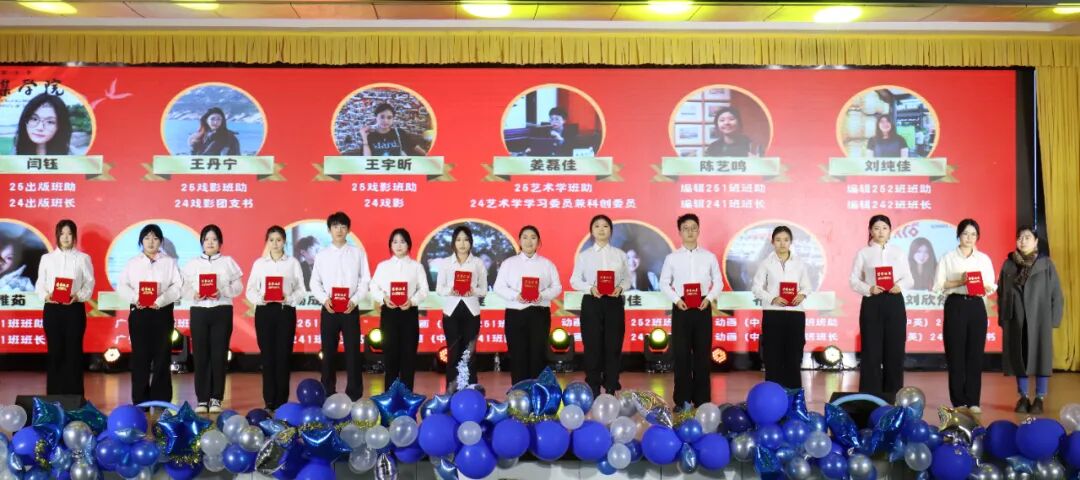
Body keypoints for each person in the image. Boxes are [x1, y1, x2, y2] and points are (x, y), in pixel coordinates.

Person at [659, 214, 722, 409]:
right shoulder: (672, 258)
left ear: (699, 230)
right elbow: (664, 283)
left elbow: (718, 282)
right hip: (682, 307)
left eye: (693, 228)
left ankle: (702, 400)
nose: (690, 232)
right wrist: (677, 300)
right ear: (679, 232)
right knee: (681, 355)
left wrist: (709, 298)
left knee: (702, 355)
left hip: (703, 306)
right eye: (685, 228)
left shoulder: (709, 257)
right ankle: (682, 400)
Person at [998, 226, 1064, 414]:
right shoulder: (1008, 264)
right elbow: (1001, 293)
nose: (1023, 241)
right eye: (1019, 237)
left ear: (1035, 242)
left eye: (1027, 237)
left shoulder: (1046, 264)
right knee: (1019, 358)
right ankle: (1023, 396)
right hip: (1016, 318)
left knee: (1041, 357)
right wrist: (1003, 318)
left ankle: (1040, 398)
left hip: (1040, 318)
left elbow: (1056, 294)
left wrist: (1054, 319)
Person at [933, 218, 996, 414]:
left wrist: (985, 287)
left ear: (978, 237)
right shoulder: (948, 258)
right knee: (956, 355)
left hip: (976, 305)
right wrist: (960, 281)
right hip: (956, 305)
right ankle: (958, 401)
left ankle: (974, 401)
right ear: (958, 235)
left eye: (973, 234)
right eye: (965, 234)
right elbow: (938, 285)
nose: (969, 238)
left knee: (975, 355)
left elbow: (991, 284)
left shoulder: (983, 259)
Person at [116, 224, 183, 406]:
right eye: (147, 238)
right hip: (140, 312)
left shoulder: (169, 262)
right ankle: (140, 399)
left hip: (162, 312)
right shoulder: (133, 263)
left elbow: (177, 286)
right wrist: (135, 298)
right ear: (141, 241)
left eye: (155, 238)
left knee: (162, 356)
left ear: (160, 241)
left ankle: (161, 399)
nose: (151, 242)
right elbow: (122, 286)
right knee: (140, 357)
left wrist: (160, 300)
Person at [849, 215, 914, 396]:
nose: (880, 232)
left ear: (890, 231)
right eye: (876, 228)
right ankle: (870, 396)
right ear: (870, 231)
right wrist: (869, 288)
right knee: (871, 350)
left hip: (894, 301)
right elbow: (853, 280)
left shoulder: (898, 252)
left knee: (895, 350)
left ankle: (893, 395)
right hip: (872, 301)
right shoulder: (863, 253)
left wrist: (899, 286)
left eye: (884, 228)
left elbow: (909, 279)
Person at [182, 225, 243, 413]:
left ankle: (216, 398)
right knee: (200, 355)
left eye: (214, 239)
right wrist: (194, 294)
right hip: (199, 311)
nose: (210, 243)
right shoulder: (192, 264)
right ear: (201, 242)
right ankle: (202, 399)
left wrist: (223, 291)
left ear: (220, 243)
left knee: (219, 355)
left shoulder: (228, 262)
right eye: (206, 239)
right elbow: (183, 288)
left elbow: (238, 287)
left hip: (222, 311)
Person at [309, 212, 371, 400]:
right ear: (329, 230)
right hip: (329, 308)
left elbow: (365, 280)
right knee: (328, 352)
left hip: (350, 308)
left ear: (348, 230)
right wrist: (324, 299)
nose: (339, 230)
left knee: (353, 352)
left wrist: (355, 300)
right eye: (335, 226)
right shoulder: (322, 255)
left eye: (343, 226)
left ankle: (354, 394)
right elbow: (314, 282)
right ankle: (327, 392)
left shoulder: (357, 253)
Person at [246, 225, 306, 411]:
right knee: (267, 357)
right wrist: (261, 298)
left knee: (283, 357)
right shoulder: (259, 264)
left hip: (285, 311)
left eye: (278, 240)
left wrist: (289, 298)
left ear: (284, 242)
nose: (275, 244)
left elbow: (301, 290)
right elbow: (250, 290)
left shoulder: (293, 263)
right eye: (271, 240)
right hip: (264, 312)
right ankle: (269, 401)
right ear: (267, 242)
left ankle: (282, 401)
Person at [570, 214, 630, 397]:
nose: (601, 229)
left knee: (613, 345)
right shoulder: (584, 256)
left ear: (611, 230)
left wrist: (620, 288)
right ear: (591, 231)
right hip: (592, 302)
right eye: (597, 226)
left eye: (605, 226)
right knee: (592, 346)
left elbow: (627, 280)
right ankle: (593, 385)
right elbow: (574, 280)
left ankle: (611, 385)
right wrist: (590, 288)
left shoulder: (620, 255)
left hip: (613, 302)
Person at [495, 225, 562, 384]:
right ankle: (519, 393)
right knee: (517, 355)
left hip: (539, 313)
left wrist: (542, 296)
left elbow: (557, 287)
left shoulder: (547, 264)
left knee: (538, 355)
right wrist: (516, 296)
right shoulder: (509, 263)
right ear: (519, 241)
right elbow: (498, 287)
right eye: (525, 237)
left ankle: (538, 393)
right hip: (515, 313)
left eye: (533, 237)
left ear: (538, 241)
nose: (529, 241)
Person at [34, 219, 94, 395]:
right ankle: (54, 396)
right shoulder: (47, 258)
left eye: (69, 233)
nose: (66, 237)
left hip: (74, 309)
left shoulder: (83, 258)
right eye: (62, 234)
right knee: (55, 352)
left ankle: (75, 396)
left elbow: (89, 283)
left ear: (74, 236)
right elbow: (40, 283)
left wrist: (78, 296)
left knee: (74, 352)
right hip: (52, 309)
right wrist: (46, 295)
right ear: (57, 236)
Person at [751, 226, 813, 389]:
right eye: (778, 240)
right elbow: (756, 288)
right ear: (772, 242)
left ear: (791, 242)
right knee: (773, 356)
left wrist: (802, 294)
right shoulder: (766, 263)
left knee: (794, 356)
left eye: (785, 240)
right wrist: (772, 298)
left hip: (795, 314)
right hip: (773, 314)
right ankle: (773, 396)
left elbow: (807, 286)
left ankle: (794, 396)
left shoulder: (799, 263)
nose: (782, 243)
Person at [370, 228, 429, 390]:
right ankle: (390, 395)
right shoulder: (383, 266)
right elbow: (373, 286)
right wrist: (383, 298)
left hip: (408, 313)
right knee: (391, 357)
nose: (398, 245)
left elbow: (424, 289)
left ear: (408, 244)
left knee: (408, 357)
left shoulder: (416, 267)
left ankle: (407, 395)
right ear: (390, 245)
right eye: (395, 242)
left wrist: (412, 301)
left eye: (402, 242)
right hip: (389, 314)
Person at [435, 226, 487, 390]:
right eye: (458, 240)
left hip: (472, 312)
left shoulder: (477, 263)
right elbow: (439, 289)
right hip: (451, 312)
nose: (462, 244)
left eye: (466, 240)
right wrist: (451, 290)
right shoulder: (446, 263)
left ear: (471, 242)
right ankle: (452, 391)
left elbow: (484, 290)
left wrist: (473, 290)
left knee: (469, 353)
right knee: (453, 352)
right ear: (453, 242)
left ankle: (471, 391)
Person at [359, 103, 428, 156]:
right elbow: (367, 159)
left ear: (393, 119)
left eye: (389, 118)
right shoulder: (370, 136)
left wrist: (428, 156)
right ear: (376, 117)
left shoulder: (399, 133)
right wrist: (364, 138)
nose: (385, 121)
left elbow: (414, 146)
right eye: (382, 117)